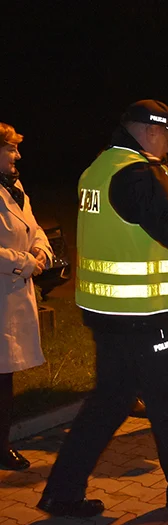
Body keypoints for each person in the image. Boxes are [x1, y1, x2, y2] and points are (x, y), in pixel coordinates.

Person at [38, 100, 168, 517]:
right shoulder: (140, 172)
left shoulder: (100, 169)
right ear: (150, 131)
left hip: (106, 313)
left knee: (110, 403)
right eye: (166, 139)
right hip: (145, 315)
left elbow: (152, 208)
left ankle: (61, 493)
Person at [0, 123, 53, 471]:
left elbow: (35, 229)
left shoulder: (15, 188)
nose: (17, 155)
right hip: (4, 292)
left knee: (5, 377)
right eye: (10, 149)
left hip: (14, 294)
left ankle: (1, 442)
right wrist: (26, 262)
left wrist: (42, 252)